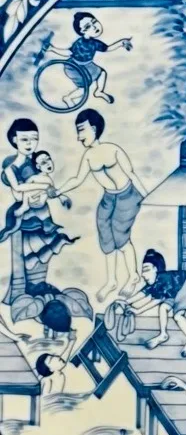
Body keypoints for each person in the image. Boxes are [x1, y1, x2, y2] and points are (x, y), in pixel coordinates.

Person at [51, 110, 146, 301]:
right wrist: (59, 191)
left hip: (127, 196)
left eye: (81, 130)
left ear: (94, 129)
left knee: (121, 237)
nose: (79, 137)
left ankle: (133, 275)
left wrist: (147, 197)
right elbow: (77, 179)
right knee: (106, 238)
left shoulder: (113, 149)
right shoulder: (88, 156)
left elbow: (132, 174)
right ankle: (111, 281)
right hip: (108, 198)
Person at [1, 119, 78, 304]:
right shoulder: (10, 167)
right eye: (24, 139)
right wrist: (43, 186)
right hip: (26, 214)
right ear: (14, 140)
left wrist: (53, 191)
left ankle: (39, 285)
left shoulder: (36, 161)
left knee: (46, 247)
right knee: (30, 250)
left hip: (42, 212)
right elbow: (18, 189)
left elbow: (47, 179)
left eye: (34, 139)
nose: (30, 144)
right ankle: (27, 289)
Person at [45, 12, 132, 106]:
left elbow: (107, 48)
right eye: (88, 27)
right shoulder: (79, 43)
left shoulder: (95, 43)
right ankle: (68, 98)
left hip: (87, 64)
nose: (94, 27)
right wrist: (53, 49)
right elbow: (68, 53)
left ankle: (99, 92)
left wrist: (121, 43)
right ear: (82, 31)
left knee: (102, 73)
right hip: (74, 67)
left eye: (94, 22)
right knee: (84, 88)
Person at [122, 249, 186, 355]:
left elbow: (157, 300)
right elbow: (144, 293)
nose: (143, 274)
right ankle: (165, 335)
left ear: (156, 269)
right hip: (176, 290)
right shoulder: (155, 282)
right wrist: (125, 302)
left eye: (146, 270)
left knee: (177, 315)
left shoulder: (163, 278)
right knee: (164, 308)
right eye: (142, 271)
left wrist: (138, 311)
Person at [0, 150, 74, 241]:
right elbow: (26, 186)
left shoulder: (49, 181)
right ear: (38, 167)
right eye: (43, 162)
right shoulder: (35, 177)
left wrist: (61, 197)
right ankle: (25, 206)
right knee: (30, 189)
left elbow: (52, 192)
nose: (48, 163)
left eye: (48, 159)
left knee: (45, 190)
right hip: (30, 200)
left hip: (40, 202)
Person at [35, 330, 77, 395]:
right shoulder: (48, 380)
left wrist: (72, 341)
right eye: (51, 359)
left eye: (53, 356)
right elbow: (45, 398)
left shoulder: (59, 374)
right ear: (50, 369)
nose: (57, 357)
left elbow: (64, 359)